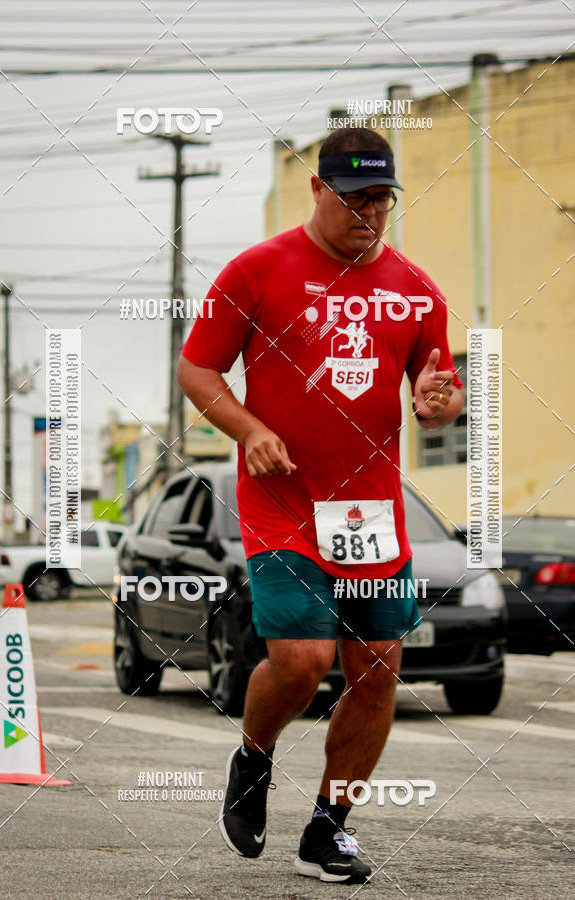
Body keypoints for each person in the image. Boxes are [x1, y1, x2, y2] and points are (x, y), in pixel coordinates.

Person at [178, 126, 464, 884]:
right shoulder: (259, 270)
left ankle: (327, 829)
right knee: (302, 662)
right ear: (318, 190)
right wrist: (248, 428)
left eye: (381, 200)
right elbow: (198, 366)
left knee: (375, 673)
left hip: (369, 513)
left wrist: (440, 404)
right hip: (282, 501)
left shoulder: (417, 290)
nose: (369, 213)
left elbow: (436, 395)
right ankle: (255, 754)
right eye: (355, 198)